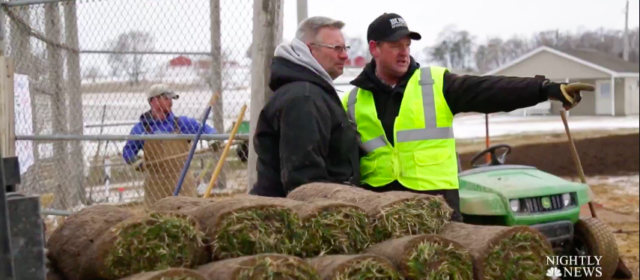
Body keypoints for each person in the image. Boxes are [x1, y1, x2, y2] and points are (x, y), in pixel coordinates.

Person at [343, 13, 594, 222]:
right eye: (395, 45)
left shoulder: (435, 83)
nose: (404, 52)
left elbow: (489, 89)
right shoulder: (351, 101)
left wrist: (544, 89)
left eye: (407, 45)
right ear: (374, 48)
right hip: (380, 206)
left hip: (436, 203)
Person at [249, 16, 361, 197]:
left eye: (345, 48)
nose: (344, 55)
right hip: (302, 215)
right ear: (309, 49)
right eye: (336, 48)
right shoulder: (304, 99)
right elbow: (304, 181)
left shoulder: (311, 92)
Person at [122, 84, 218, 205]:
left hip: (183, 184)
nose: (171, 103)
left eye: (171, 99)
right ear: (154, 101)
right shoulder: (141, 129)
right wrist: (135, 160)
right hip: (155, 187)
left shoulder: (182, 124)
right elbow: (128, 151)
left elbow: (204, 128)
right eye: (167, 99)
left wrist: (213, 138)